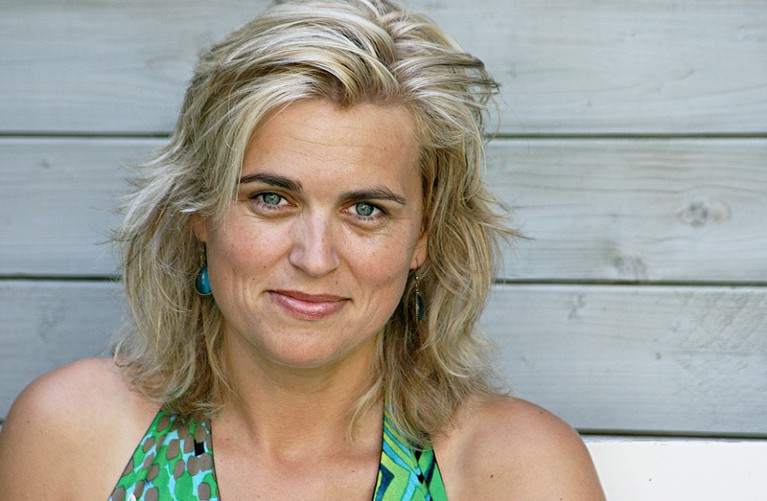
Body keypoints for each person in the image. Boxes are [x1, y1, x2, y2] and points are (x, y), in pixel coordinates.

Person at [0, 0, 604, 499]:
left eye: (366, 210)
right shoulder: (74, 436)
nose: (314, 259)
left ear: (424, 237)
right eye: (271, 199)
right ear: (200, 211)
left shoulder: (516, 472)